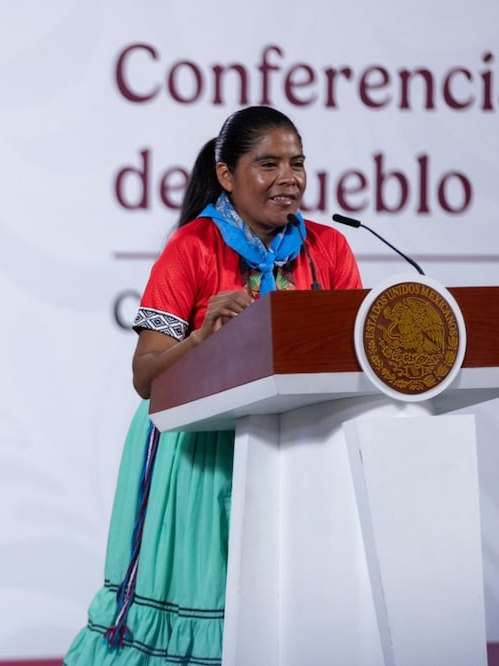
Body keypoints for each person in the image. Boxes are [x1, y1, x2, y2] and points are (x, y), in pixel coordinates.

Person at [63, 106, 362, 664]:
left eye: (297, 164)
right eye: (268, 164)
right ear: (226, 174)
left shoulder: (330, 249)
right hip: (199, 458)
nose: (289, 178)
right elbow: (144, 378)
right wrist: (202, 339)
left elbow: (349, 354)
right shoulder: (193, 246)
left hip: (297, 447)